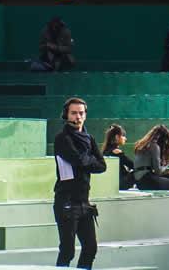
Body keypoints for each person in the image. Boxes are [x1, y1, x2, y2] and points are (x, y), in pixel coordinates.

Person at [53, 97, 105, 269]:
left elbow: (101, 165)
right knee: (67, 250)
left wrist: (85, 161)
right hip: (66, 202)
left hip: (84, 202)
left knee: (90, 248)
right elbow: (77, 159)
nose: (78, 117)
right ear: (66, 115)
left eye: (81, 113)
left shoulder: (89, 138)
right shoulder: (62, 138)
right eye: (74, 113)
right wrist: (87, 160)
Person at [128, 124, 169, 191]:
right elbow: (158, 171)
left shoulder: (142, 144)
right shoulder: (154, 146)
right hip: (147, 180)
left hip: (140, 180)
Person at [101, 124, 135, 191]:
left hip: (110, 183)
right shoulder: (116, 151)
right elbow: (132, 165)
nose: (125, 138)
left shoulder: (105, 151)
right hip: (120, 184)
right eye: (123, 136)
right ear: (117, 137)